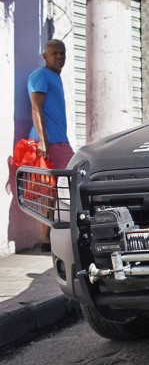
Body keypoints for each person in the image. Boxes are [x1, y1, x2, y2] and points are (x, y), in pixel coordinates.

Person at [27, 39, 74, 252]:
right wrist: (43, 141)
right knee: (71, 180)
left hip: (59, 140)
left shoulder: (55, 77)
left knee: (55, 188)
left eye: (62, 53)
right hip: (50, 141)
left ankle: (47, 238)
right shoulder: (40, 76)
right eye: (54, 53)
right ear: (44, 55)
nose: (59, 57)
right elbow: (36, 109)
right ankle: (54, 235)